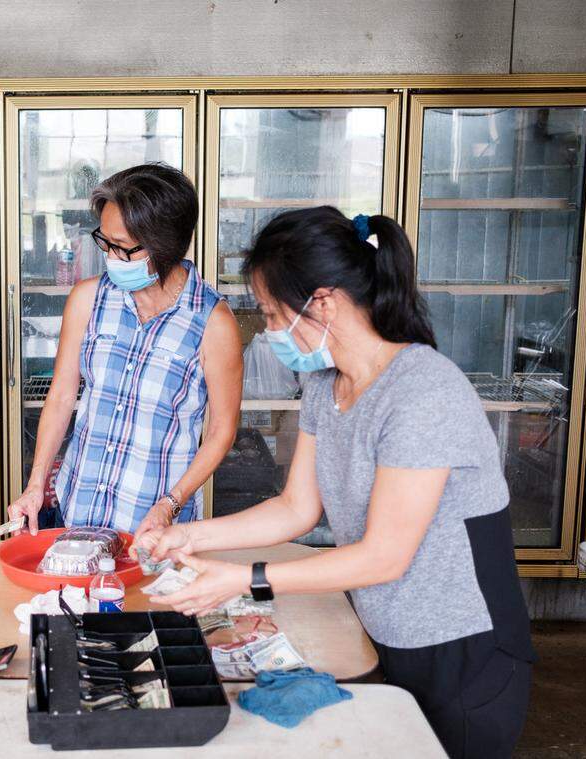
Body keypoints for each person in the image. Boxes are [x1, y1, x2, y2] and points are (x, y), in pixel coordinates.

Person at [138, 207, 534, 758]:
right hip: (385, 632)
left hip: (462, 647)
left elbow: (383, 558)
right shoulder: (329, 385)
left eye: (274, 315)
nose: (269, 331)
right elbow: (297, 507)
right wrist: (190, 537)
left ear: (321, 302)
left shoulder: (423, 393)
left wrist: (242, 579)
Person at [8, 164, 243, 537]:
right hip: (78, 508)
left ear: (165, 245)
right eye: (106, 242)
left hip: (154, 524)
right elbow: (63, 394)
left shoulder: (213, 323)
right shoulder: (88, 298)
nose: (111, 257)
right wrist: (36, 484)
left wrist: (172, 503)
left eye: (123, 248)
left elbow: (221, 431)